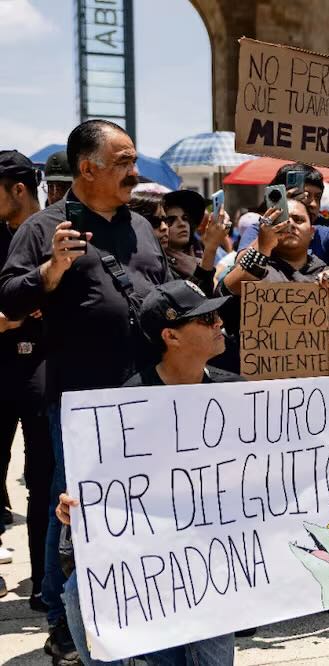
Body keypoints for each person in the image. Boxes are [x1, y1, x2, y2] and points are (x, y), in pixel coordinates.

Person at [0, 119, 168, 664]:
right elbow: (10, 296)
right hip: (80, 400)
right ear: (87, 167)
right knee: (74, 510)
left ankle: (127, 603)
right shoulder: (44, 227)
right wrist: (51, 270)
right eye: (123, 162)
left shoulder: (142, 226)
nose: (134, 173)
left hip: (147, 393)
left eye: (134, 160)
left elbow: (161, 287)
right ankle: (63, 623)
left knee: (138, 505)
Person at [53, 280, 237, 665]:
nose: (220, 322)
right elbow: (99, 488)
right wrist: (75, 508)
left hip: (214, 559)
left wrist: (328, 470)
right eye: (206, 318)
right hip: (150, 561)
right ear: (171, 336)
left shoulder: (237, 395)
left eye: (217, 314)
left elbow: (272, 471)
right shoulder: (125, 407)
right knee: (78, 592)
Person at [0, 150, 53, 611]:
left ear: (18, 188)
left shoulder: (55, 233)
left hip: (43, 372)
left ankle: (43, 582)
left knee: (43, 479)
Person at [236, 162, 329, 269]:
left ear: (310, 233)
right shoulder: (258, 231)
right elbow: (240, 266)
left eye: (318, 197)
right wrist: (267, 235)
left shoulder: (322, 234)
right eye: (306, 195)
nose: (313, 204)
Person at [163, 189, 228, 295]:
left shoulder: (199, 252)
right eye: (170, 220)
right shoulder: (159, 265)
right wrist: (211, 249)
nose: (182, 224)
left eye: (185, 218)